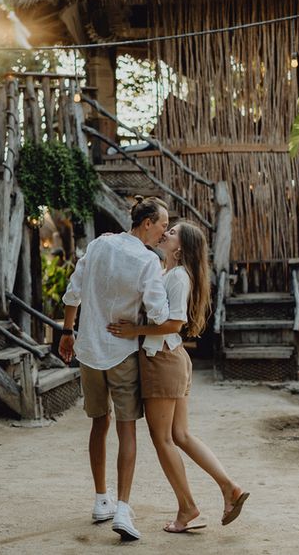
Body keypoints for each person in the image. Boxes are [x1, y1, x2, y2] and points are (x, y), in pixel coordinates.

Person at [107, 221, 249, 533]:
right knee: (181, 435)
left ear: (181, 248)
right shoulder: (169, 272)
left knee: (163, 439)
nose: (165, 233)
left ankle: (188, 509)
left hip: (162, 359)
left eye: (172, 232)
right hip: (173, 357)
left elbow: (173, 323)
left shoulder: (177, 278)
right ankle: (230, 488)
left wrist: (135, 331)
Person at [58, 197, 170, 541]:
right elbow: (160, 315)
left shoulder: (99, 244)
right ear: (147, 223)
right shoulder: (148, 262)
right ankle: (122, 507)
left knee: (98, 423)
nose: (165, 233)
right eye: (163, 225)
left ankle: (100, 499)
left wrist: (67, 331)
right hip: (122, 352)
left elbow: (73, 292)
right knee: (126, 429)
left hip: (88, 349)